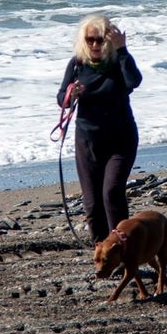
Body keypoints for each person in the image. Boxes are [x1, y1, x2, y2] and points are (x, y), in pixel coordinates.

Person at [57, 14, 143, 245]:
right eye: (90, 40)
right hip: (88, 141)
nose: (95, 44)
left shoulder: (119, 62)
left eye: (100, 40)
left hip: (121, 138)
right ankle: (101, 250)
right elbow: (62, 100)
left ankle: (122, 247)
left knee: (112, 193)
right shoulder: (77, 64)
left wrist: (123, 50)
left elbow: (134, 81)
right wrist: (70, 95)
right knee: (93, 202)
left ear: (109, 40)